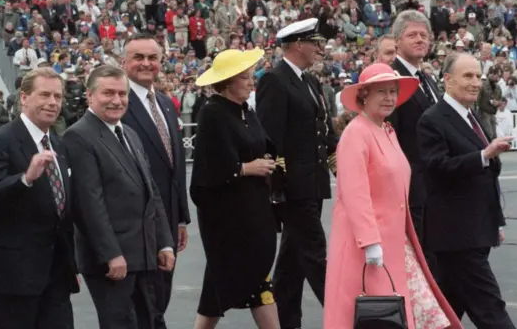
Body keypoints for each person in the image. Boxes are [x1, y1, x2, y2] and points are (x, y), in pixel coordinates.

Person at [324, 63, 462, 329]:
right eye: (382, 92)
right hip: (366, 246)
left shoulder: (386, 130)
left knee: (409, 313)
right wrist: (369, 241)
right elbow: (355, 192)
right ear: (364, 95)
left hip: (396, 241)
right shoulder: (356, 133)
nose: (389, 98)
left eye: (393, 92)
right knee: (382, 315)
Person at [63, 65, 175, 329]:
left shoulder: (130, 134)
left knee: (151, 321)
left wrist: (164, 242)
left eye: (122, 94)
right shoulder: (78, 136)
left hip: (145, 255)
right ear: (90, 96)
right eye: (108, 93)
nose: (117, 100)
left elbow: (152, 192)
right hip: (112, 262)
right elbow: (90, 204)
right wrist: (111, 254)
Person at [0, 68, 79, 329]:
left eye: (57, 96)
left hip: (56, 276)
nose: (53, 103)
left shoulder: (58, 144)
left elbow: (61, 210)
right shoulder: (0, 140)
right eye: (45, 95)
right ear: (25, 97)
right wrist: (25, 179)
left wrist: (71, 263)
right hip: (11, 278)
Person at [417, 53, 516, 328]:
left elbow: (484, 177)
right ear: (447, 80)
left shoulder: (471, 116)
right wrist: (484, 155)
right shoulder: (432, 120)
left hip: (473, 230)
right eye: (468, 76)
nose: (476, 83)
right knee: (491, 309)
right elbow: (437, 168)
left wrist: (495, 220)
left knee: (447, 309)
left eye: (478, 76)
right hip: (457, 236)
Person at [190, 48, 280, 329]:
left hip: (254, 211)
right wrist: (245, 168)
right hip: (229, 220)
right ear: (227, 81)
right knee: (234, 285)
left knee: (251, 285)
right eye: (245, 77)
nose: (252, 81)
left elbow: (263, 144)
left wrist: (267, 160)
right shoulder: (212, 113)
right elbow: (208, 169)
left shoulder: (245, 111)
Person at [256, 17, 337, 329]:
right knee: (316, 256)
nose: (319, 48)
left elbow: (321, 132)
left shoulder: (309, 81)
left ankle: (285, 322)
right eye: (314, 42)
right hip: (293, 188)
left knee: (291, 266)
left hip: (313, 183)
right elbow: (270, 138)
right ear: (298, 45)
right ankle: (345, 316)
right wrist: (279, 186)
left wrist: (338, 162)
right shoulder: (274, 80)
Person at [121, 33, 191, 329]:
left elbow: (174, 167)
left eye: (152, 58)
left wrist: (180, 219)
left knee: (160, 296)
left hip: (167, 220)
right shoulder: (117, 102)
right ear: (124, 62)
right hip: (134, 223)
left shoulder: (164, 102)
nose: (146, 64)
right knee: (141, 306)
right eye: (138, 57)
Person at [386, 10, 439, 245]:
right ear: (397, 41)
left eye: (424, 35)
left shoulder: (426, 79)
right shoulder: (391, 79)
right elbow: (389, 135)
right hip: (409, 187)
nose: (420, 39)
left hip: (433, 184)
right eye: (412, 35)